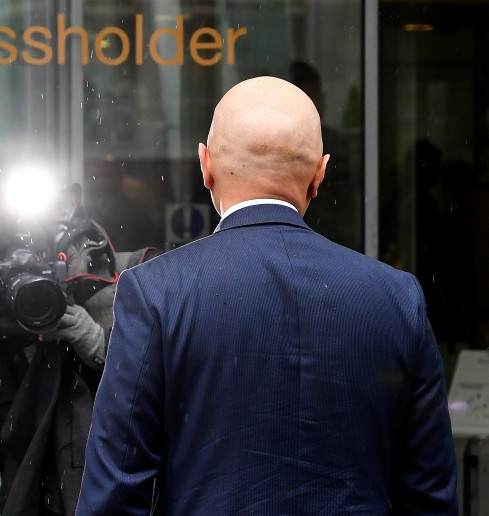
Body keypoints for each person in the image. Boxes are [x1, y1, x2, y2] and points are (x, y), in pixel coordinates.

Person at [75, 76, 458, 515]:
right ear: (319, 174)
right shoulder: (396, 298)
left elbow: (115, 494)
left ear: (205, 164)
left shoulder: (156, 292)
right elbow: (429, 498)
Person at [0, 179, 161, 515]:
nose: (22, 281)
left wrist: (101, 344)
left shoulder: (133, 283)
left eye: (34, 262)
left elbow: (187, 412)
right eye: (3, 272)